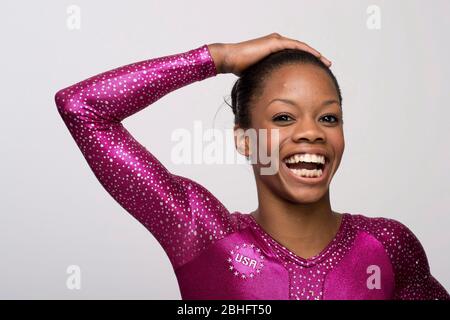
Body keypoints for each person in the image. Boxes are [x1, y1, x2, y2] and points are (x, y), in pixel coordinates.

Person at [54, 33, 449, 300]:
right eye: (283, 118)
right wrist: (218, 58)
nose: (311, 133)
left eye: (328, 118)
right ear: (245, 140)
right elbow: (82, 107)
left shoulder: (387, 245)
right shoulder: (201, 233)